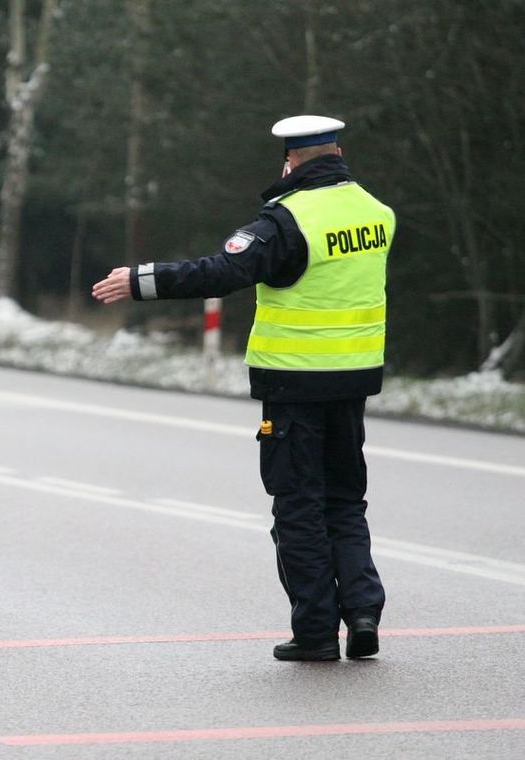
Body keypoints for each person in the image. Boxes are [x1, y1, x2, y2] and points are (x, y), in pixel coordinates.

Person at [92, 115, 393, 662]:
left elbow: (222, 271)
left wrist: (141, 281)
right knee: (345, 501)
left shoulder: (287, 219)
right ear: (339, 152)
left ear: (290, 161)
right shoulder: (376, 213)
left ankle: (317, 633)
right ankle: (365, 612)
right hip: (353, 383)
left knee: (297, 506)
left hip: (293, 385)